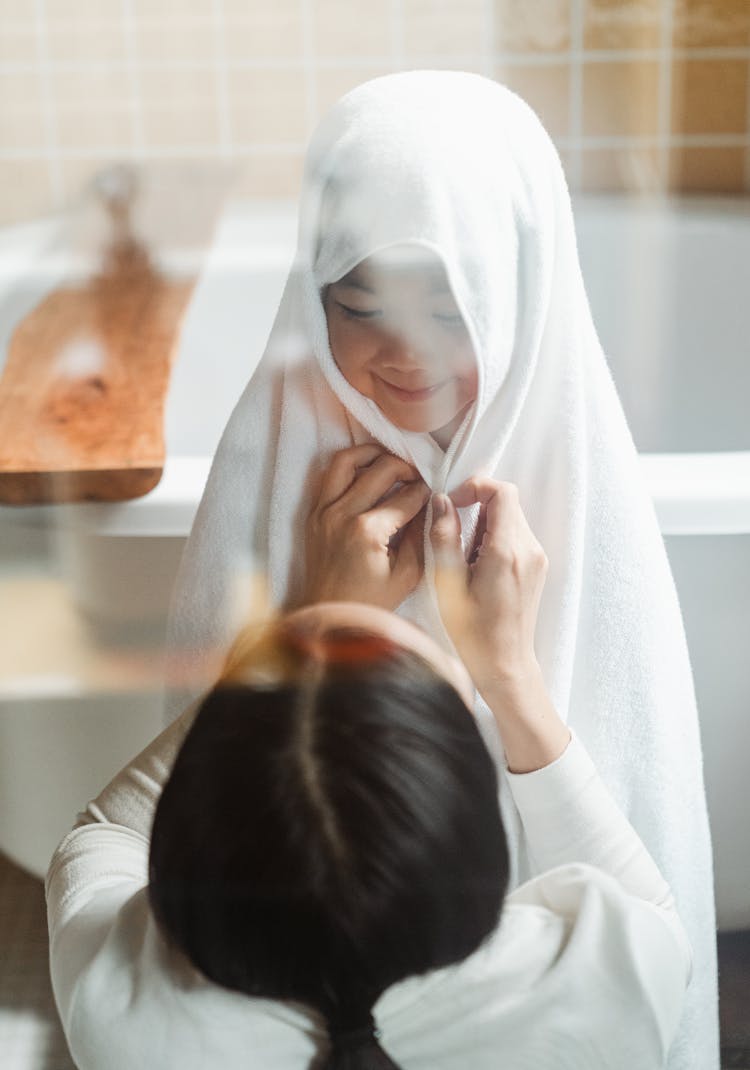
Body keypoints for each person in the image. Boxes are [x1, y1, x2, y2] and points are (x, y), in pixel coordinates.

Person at [163, 72, 718, 1067]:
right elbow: (194, 829)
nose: (402, 357)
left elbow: (642, 818)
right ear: (311, 292)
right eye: (358, 304)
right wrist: (314, 617)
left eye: (452, 312)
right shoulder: (279, 455)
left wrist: (496, 670)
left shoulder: (575, 484)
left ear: (521, 294)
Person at [47, 474, 691, 1069]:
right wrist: (511, 679)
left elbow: (104, 833)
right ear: (478, 836)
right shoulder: (608, 990)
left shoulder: (122, 1018)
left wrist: (295, 630)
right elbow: (653, 912)